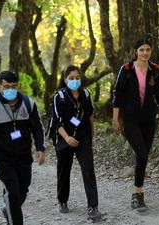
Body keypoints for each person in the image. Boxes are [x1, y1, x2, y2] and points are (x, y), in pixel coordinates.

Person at [0, 71, 45, 225]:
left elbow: (38, 127)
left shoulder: (28, 104)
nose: (10, 90)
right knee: (12, 191)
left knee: (23, 189)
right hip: (3, 157)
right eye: (6, 86)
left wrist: (40, 148)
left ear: (17, 86)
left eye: (13, 86)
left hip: (24, 156)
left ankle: (9, 210)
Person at [112, 38, 159, 212]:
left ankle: (138, 195)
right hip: (130, 120)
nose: (145, 53)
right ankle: (138, 194)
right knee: (142, 154)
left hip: (148, 120)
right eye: (142, 50)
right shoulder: (127, 69)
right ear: (135, 51)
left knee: (142, 157)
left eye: (148, 50)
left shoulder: (155, 70)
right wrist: (116, 119)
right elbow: (118, 95)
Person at [51, 65, 101, 220]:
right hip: (65, 138)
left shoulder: (85, 94)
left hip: (83, 137)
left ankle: (93, 206)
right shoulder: (59, 97)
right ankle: (62, 201)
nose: (74, 81)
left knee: (88, 170)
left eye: (77, 78)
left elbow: (89, 114)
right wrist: (67, 138)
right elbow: (56, 122)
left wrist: (92, 132)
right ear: (65, 79)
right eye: (71, 78)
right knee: (64, 170)